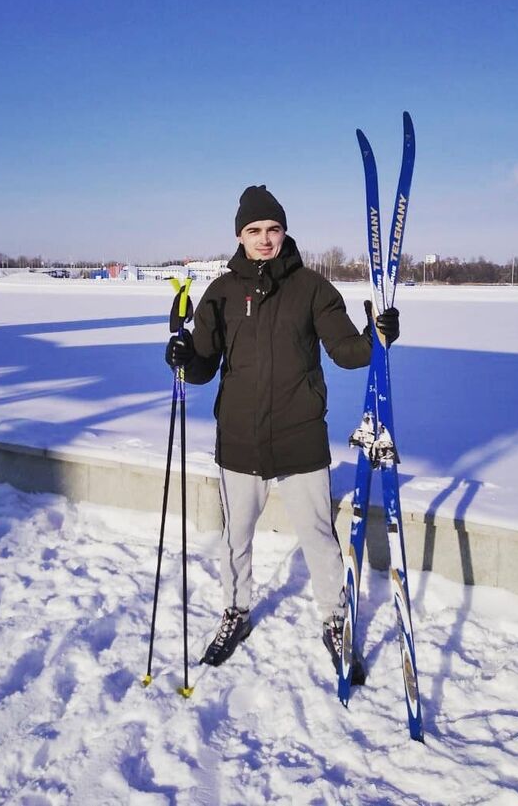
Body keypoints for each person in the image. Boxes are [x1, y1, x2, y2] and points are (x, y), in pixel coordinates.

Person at [164, 185, 399, 675]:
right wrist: (183, 357)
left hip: (299, 437)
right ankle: (236, 611)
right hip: (239, 440)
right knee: (236, 539)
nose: (265, 239)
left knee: (318, 535)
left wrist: (377, 338)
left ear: (284, 231)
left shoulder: (312, 288)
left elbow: (347, 353)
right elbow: (204, 366)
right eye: (255, 231)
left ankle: (335, 620)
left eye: (272, 229)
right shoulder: (221, 292)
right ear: (240, 236)